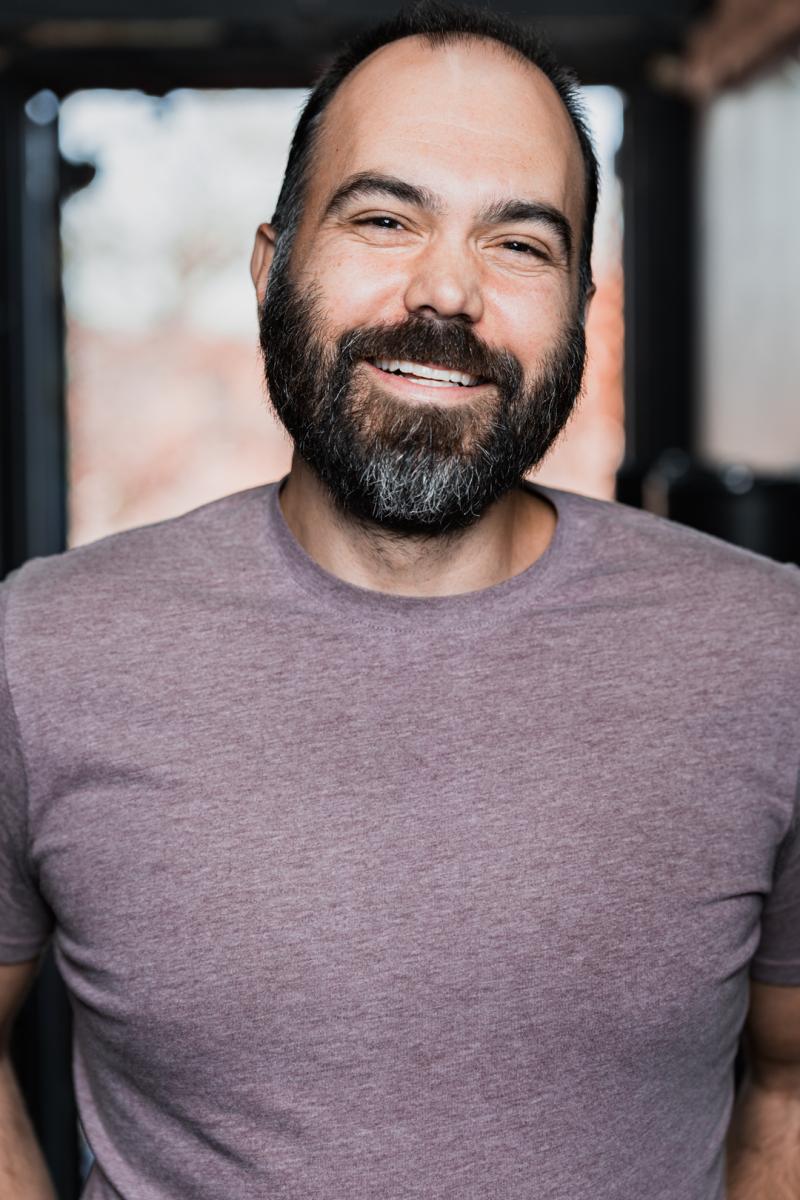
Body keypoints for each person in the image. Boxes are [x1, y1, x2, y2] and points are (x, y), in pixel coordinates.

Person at [1, 3, 798, 1198]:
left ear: (580, 306)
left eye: (519, 244)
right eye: (383, 219)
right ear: (273, 268)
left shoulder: (767, 652)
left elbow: (786, 1082)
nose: (446, 293)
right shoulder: (40, 650)